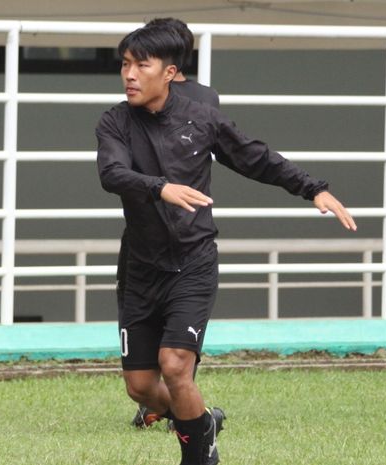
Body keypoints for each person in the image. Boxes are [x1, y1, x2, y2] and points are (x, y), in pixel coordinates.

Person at [95, 23, 356, 465]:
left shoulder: (202, 117)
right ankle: (200, 420)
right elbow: (111, 174)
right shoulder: (114, 121)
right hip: (139, 268)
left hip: (193, 263)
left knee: (176, 365)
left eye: (142, 65)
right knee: (141, 387)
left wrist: (313, 188)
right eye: (125, 64)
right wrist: (160, 187)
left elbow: (256, 157)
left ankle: (201, 454)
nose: (130, 75)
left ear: (171, 72)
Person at [130, 18, 223, 433]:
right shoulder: (135, 103)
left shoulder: (198, 101)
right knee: (148, 372)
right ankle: (176, 405)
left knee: (175, 352)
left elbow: (221, 149)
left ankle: (183, 411)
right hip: (161, 228)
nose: (132, 73)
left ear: (169, 60)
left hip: (176, 231)